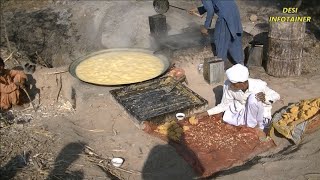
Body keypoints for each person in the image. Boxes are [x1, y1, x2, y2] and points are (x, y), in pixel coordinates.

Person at [195, 64, 280, 137]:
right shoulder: (228, 85)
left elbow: (276, 96)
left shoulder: (259, 85)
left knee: (253, 98)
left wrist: (265, 98)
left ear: (242, 83)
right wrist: (206, 113)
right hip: (241, 110)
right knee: (229, 118)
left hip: (258, 113)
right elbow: (224, 105)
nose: (231, 85)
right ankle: (247, 124)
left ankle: (259, 126)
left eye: (233, 84)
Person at [189, 0, 244, 65]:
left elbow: (210, 10)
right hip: (234, 12)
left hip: (224, 17)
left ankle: (220, 65)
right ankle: (241, 66)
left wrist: (206, 27)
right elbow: (216, 4)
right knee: (234, 38)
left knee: (220, 40)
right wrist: (197, 9)